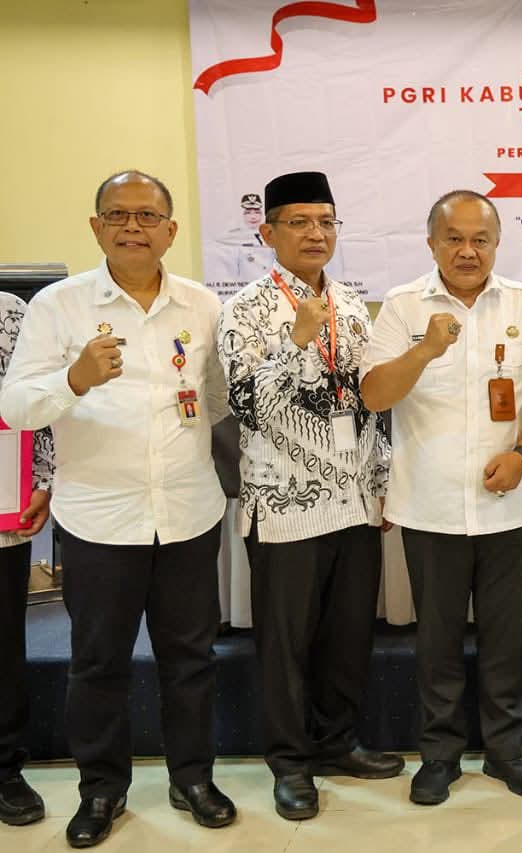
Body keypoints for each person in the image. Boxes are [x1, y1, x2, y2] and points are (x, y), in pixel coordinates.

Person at [0, 170, 236, 847]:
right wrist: (73, 379)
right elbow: (14, 406)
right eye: (117, 214)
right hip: (100, 518)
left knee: (190, 657)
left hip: (188, 512)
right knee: (97, 663)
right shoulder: (58, 306)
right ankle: (102, 790)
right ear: (96, 226)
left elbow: (215, 399)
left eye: (146, 215)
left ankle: (194, 777)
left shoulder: (200, 305)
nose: (132, 226)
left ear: (171, 229)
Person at [360, 190, 522, 805]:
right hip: (432, 506)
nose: (467, 251)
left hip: (512, 506)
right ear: (432, 243)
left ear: (497, 244)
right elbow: (373, 395)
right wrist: (424, 349)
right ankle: (439, 754)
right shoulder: (401, 307)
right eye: (454, 239)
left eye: (480, 239)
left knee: (505, 638)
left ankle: (505, 751)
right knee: (436, 640)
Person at [217, 171, 401, 822]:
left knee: (349, 635)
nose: (315, 233)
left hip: (352, 501)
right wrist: (296, 339)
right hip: (285, 504)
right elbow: (247, 406)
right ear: (267, 232)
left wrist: (379, 482)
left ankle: (336, 740)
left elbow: (370, 402)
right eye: (299, 222)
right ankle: (289, 763)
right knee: (287, 643)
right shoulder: (243, 309)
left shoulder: (351, 304)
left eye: (325, 221)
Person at [0, 294, 54, 830]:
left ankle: (4, 769)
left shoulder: (9, 312)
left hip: (0, 505)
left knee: (3, 646)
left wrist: (43, 479)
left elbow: (34, 402)